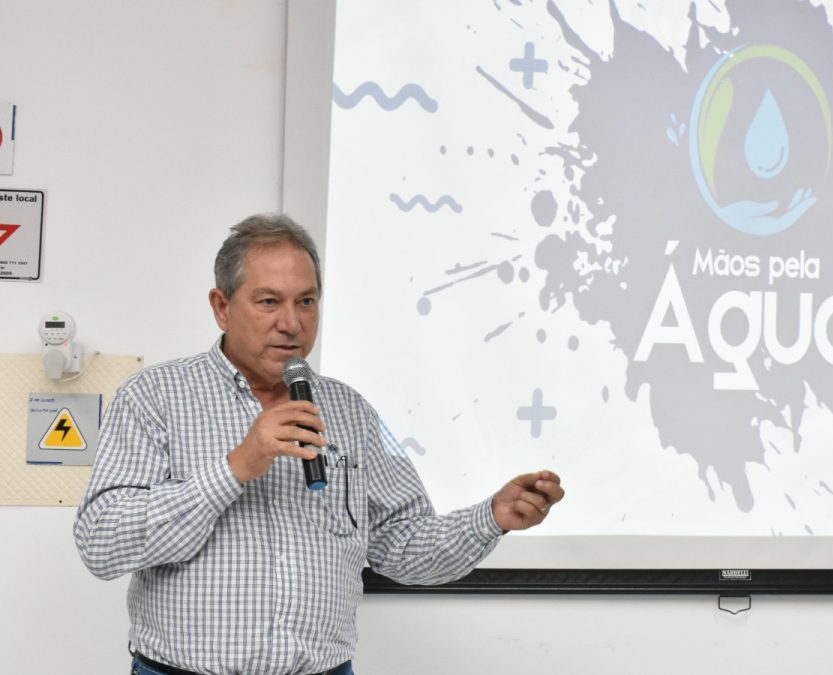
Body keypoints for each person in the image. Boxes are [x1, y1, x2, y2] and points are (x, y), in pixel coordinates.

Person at [74, 213, 564, 675]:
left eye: (305, 301)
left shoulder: (351, 411)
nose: (291, 322)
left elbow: (403, 545)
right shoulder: (153, 397)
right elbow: (101, 544)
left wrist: (492, 517)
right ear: (222, 307)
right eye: (269, 302)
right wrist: (237, 467)